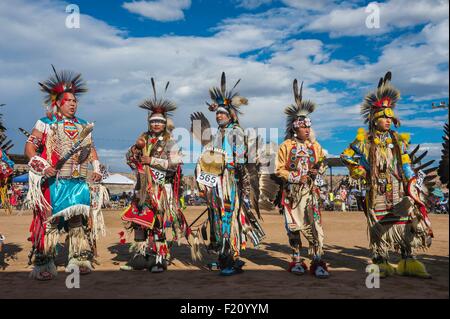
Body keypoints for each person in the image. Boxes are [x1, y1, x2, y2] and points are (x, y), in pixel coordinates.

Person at [341, 71, 433, 278]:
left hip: (399, 188)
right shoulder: (364, 141)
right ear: (375, 119)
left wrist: (412, 182)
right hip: (377, 190)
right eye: (385, 117)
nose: (389, 121)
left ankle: (408, 261)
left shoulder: (399, 141)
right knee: (379, 227)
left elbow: (406, 164)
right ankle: (380, 263)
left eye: (391, 118)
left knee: (406, 224)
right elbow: (345, 156)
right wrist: (360, 169)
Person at [24, 65, 106, 280]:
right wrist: (42, 165)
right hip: (54, 181)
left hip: (77, 181)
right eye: (69, 100)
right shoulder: (45, 123)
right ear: (58, 103)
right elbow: (29, 148)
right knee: (49, 221)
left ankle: (78, 258)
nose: (73, 104)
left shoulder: (83, 125)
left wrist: (96, 169)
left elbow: (91, 149)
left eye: (75, 101)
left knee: (77, 221)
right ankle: (45, 261)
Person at [191, 72, 265, 276]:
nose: (218, 116)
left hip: (230, 181)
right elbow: (208, 159)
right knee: (217, 217)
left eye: (222, 113)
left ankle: (229, 258)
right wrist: (203, 183)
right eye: (217, 113)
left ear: (231, 115)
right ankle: (224, 257)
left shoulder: (236, 132)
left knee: (227, 217)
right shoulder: (218, 135)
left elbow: (240, 160)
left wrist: (237, 175)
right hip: (216, 182)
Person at [121, 78, 189, 273]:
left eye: (160, 122)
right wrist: (134, 150)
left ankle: (159, 259)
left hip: (160, 189)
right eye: (153, 122)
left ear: (165, 123)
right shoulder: (142, 138)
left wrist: (153, 161)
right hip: (142, 188)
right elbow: (129, 159)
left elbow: (175, 165)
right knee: (140, 223)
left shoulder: (171, 142)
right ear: (149, 123)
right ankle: (140, 259)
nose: (157, 124)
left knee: (157, 224)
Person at [275, 79, 329, 278]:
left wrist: (318, 171)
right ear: (295, 128)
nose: (307, 130)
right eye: (303, 127)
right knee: (293, 226)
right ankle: (297, 259)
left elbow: (322, 163)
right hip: (292, 194)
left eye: (309, 127)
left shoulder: (315, 146)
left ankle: (317, 260)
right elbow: (279, 169)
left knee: (315, 226)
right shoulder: (286, 146)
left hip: (311, 193)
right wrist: (298, 176)